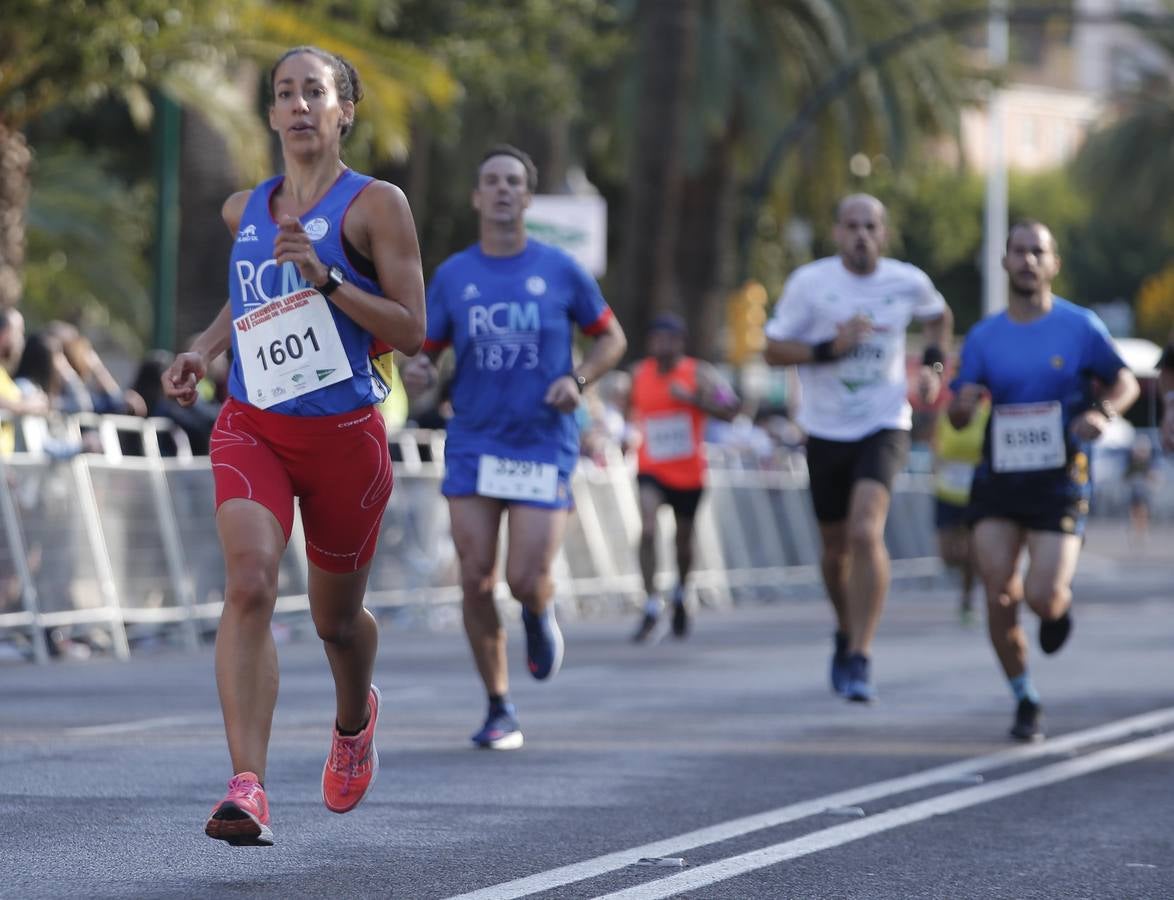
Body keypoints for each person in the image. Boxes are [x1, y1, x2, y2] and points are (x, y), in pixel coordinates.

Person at [160, 46, 426, 845]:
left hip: (344, 439)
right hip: (254, 425)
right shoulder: (246, 208)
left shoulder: (376, 205)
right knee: (249, 583)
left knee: (336, 625)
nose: (301, 105)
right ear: (271, 115)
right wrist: (203, 351)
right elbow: (246, 299)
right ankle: (248, 787)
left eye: (317, 92)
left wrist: (328, 280)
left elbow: (412, 329)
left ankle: (354, 720)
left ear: (345, 110)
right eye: (286, 93)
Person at [400, 144, 626, 750]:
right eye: (491, 181)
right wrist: (417, 375)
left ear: (527, 198)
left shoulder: (561, 269)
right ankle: (499, 704)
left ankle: (536, 610)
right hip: (476, 438)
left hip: (542, 440)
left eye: (513, 183)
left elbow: (612, 339)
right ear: (477, 197)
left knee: (525, 577)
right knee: (475, 578)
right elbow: (423, 356)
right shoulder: (454, 275)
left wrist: (578, 381)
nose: (502, 191)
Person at [948, 220, 1138, 742]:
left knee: (1041, 596)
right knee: (998, 592)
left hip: (1059, 479)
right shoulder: (985, 336)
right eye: (1018, 251)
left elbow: (1123, 383)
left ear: (1053, 264)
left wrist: (1100, 412)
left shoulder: (1080, 327)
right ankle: (1024, 696)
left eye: (1038, 252)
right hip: (1000, 480)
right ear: (1005, 262)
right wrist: (961, 404)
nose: (1028, 260)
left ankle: (1058, 609)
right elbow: (959, 412)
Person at [763, 193, 953, 703]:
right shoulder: (811, 284)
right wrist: (830, 348)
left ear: (884, 234)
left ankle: (862, 655)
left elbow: (939, 318)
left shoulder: (906, 281)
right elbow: (772, 348)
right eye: (852, 226)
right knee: (834, 550)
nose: (862, 235)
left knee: (867, 532)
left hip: (885, 423)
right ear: (837, 232)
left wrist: (933, 370)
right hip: (824, 430)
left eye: (871, 226)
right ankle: (845, 629)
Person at [626, 313, 739, 642]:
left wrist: (693, 400)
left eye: (669, 338)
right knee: (647, 528)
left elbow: (731, 408)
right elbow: (622, 405)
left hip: (689, 473)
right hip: (651, 468)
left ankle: (680, 593)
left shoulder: (699, 374)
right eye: (656, 338)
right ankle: (650, 602)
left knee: (683, 542)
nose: (662, 344)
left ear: (680, 342)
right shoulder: (638, 374)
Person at [931, 391, 990, 624]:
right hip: (947, 492)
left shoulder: (987, 415)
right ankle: (967, 573)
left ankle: (967, 598)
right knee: (947, 554)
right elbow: (936, 444)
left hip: (975, 494)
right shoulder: (945, 413)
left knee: (971, 552)